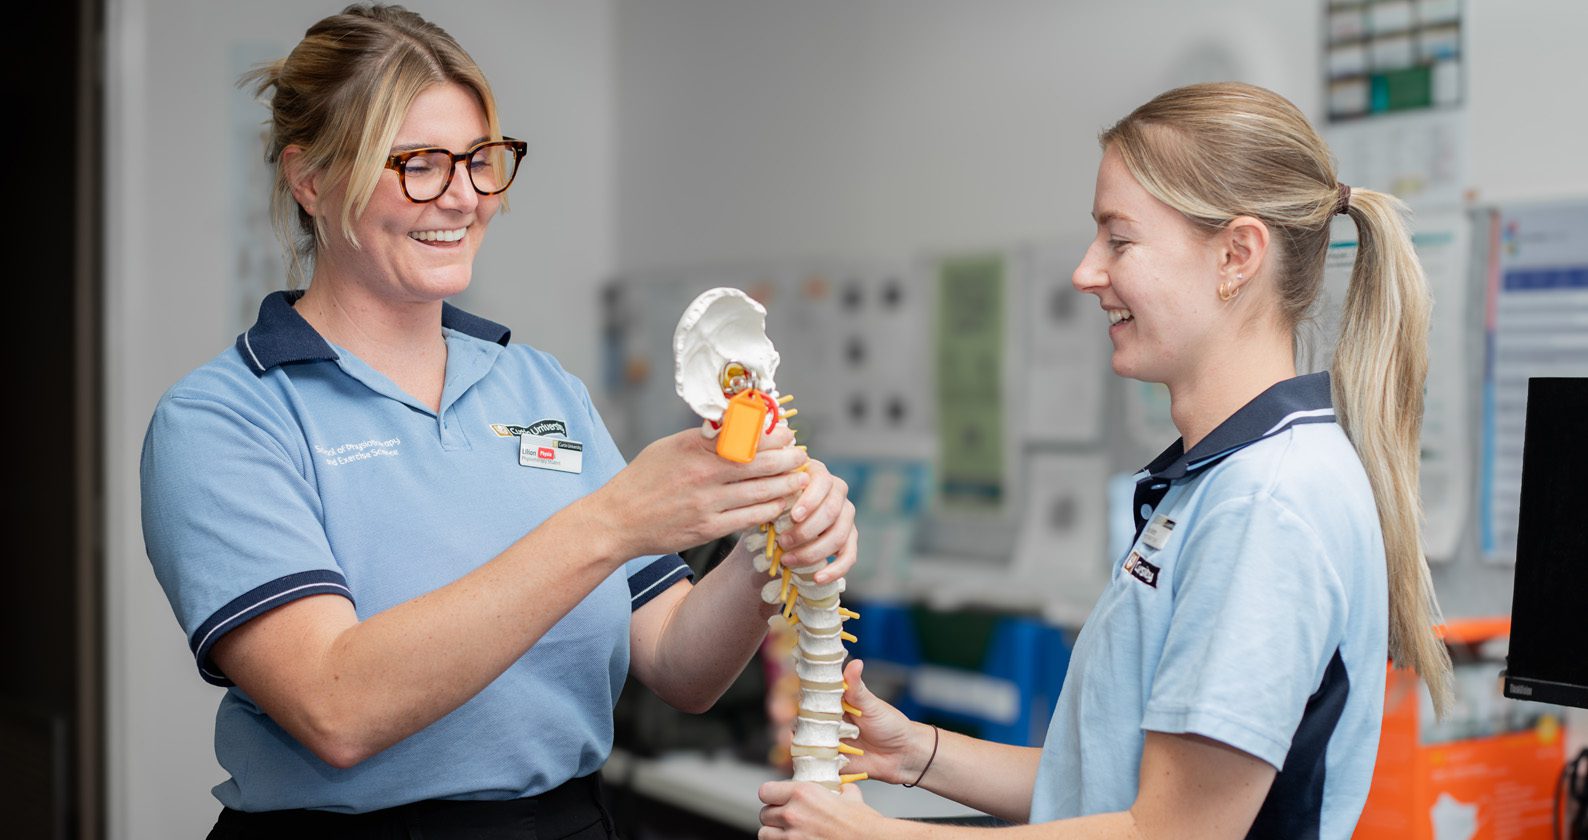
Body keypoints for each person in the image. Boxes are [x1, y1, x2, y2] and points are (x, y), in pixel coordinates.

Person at [139, 5, 857, 837]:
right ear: (310, 179)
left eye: (482, 160)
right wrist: (614, 521)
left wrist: (761, 553)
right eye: (417, 163)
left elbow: (676, 666)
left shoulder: (540, 389)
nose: (463, 195)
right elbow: (335, 709)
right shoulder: (225, 419)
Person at [757, 82, 1452, 840]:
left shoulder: (1267, 503)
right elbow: (1105, 789)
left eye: (1119, 241)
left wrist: (874, 836)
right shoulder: (1218, 481)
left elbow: (1172, 833)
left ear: (1237, 255)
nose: (1087, 272)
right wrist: (918, 752)